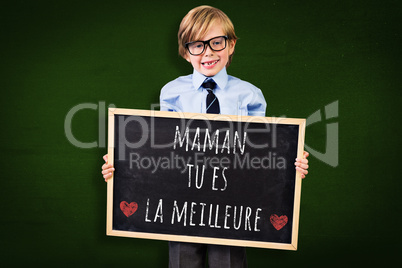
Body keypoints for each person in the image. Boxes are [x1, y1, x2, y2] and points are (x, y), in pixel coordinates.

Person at [102, 5, 309, 268]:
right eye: (197, 45)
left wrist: (288, 166)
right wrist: (123, 164)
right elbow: (163, 145)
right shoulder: (171, 93)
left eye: (216, 42)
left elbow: (263, 147)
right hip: (182, 200)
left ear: (231, 45)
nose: (208, 52)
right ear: (186, 53)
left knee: (229, 262)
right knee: (183, 259)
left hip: (232, 201)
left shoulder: (249, 94)